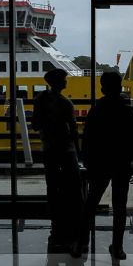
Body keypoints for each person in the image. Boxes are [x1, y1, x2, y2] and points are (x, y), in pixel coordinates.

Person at [74, 71, 133, 260]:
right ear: (120, 88)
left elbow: (87, 139)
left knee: (91, 203)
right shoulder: (128, 111)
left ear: (102, 88)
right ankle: (117, 247)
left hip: (100, 163)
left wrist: (87, 161)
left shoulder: (96, 110)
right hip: (122, 163)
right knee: (120, 206)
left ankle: (81, 243)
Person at [32, 68, 82, 249]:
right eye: (64, 79)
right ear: (59, 82)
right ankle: (72, 224)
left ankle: (56, 224)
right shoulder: (66, 103)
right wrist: (79, 152)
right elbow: (74, 130)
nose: (66, 82)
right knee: (73, 187)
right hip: (67, 151)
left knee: (52, 186)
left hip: (49, 149)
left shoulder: (40, 100)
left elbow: (35, 125)